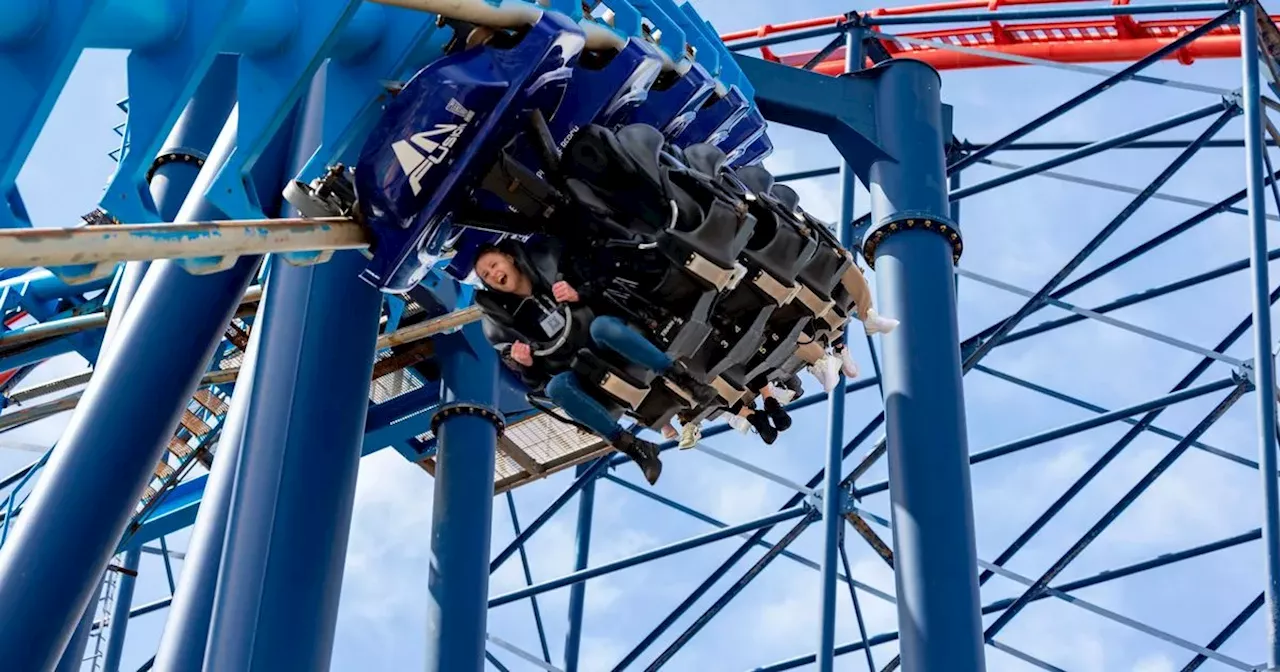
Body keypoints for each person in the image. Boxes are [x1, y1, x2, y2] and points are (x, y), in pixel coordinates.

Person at [472, 237, 717, 485]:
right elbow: (535, 383)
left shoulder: (549, 265)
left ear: (509, 259)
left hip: (612, 343)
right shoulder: (507, 325)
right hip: (585, 374)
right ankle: (633, 447)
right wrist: (526, 364)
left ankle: (683, 379)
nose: (493, 274)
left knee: (601, 326)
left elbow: (605, 282)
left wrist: (579, 294)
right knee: (556, 388)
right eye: (485, 275)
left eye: (493, 265)